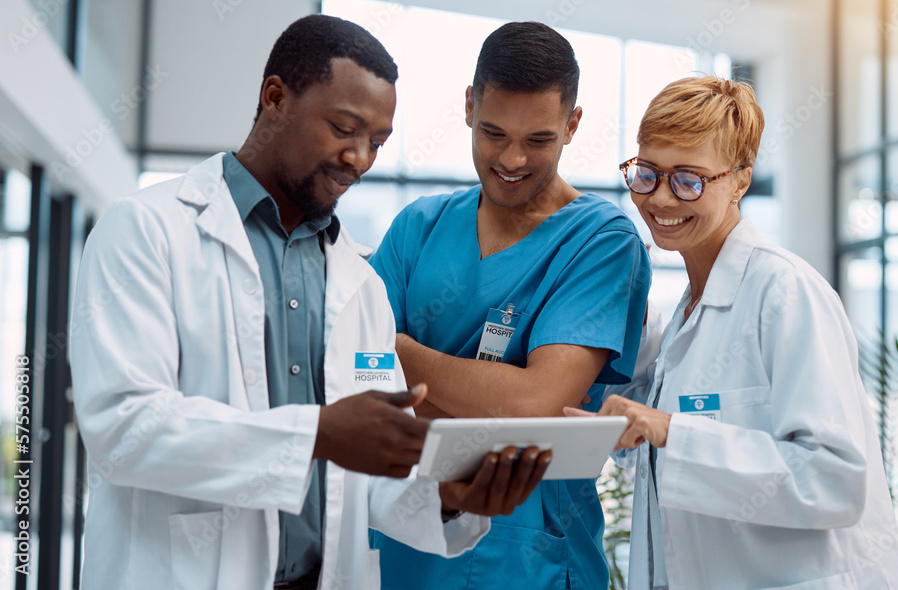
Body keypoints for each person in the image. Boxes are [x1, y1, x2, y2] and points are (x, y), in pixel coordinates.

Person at [68, 15, 550, 590]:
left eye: (376, 141)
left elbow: (363, 480)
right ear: (275, 97)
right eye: (344, 129)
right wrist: (317, 433)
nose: (360, 159)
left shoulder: (360, 281)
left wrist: (447, 495)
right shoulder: (147, 232)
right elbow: (123, 428)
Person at [567, 76, 898, 589]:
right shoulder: (690, 313)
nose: (660, 198)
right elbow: (654, 450)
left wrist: (670, 432)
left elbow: (835, 480)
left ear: (741, 180)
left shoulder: (785, 293)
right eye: (646, 174)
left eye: (689, 179)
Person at [368, 21, 651, 590]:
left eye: (539, 140)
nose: (512, 159)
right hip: (399, 547)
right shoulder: (417, 228)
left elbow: (534, 402)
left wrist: (399, 350)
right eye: (494, 133)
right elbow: (359, 387)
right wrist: (487, 404)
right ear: (469, 106)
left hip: (529, 559)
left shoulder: (600, 242)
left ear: (572, 125)